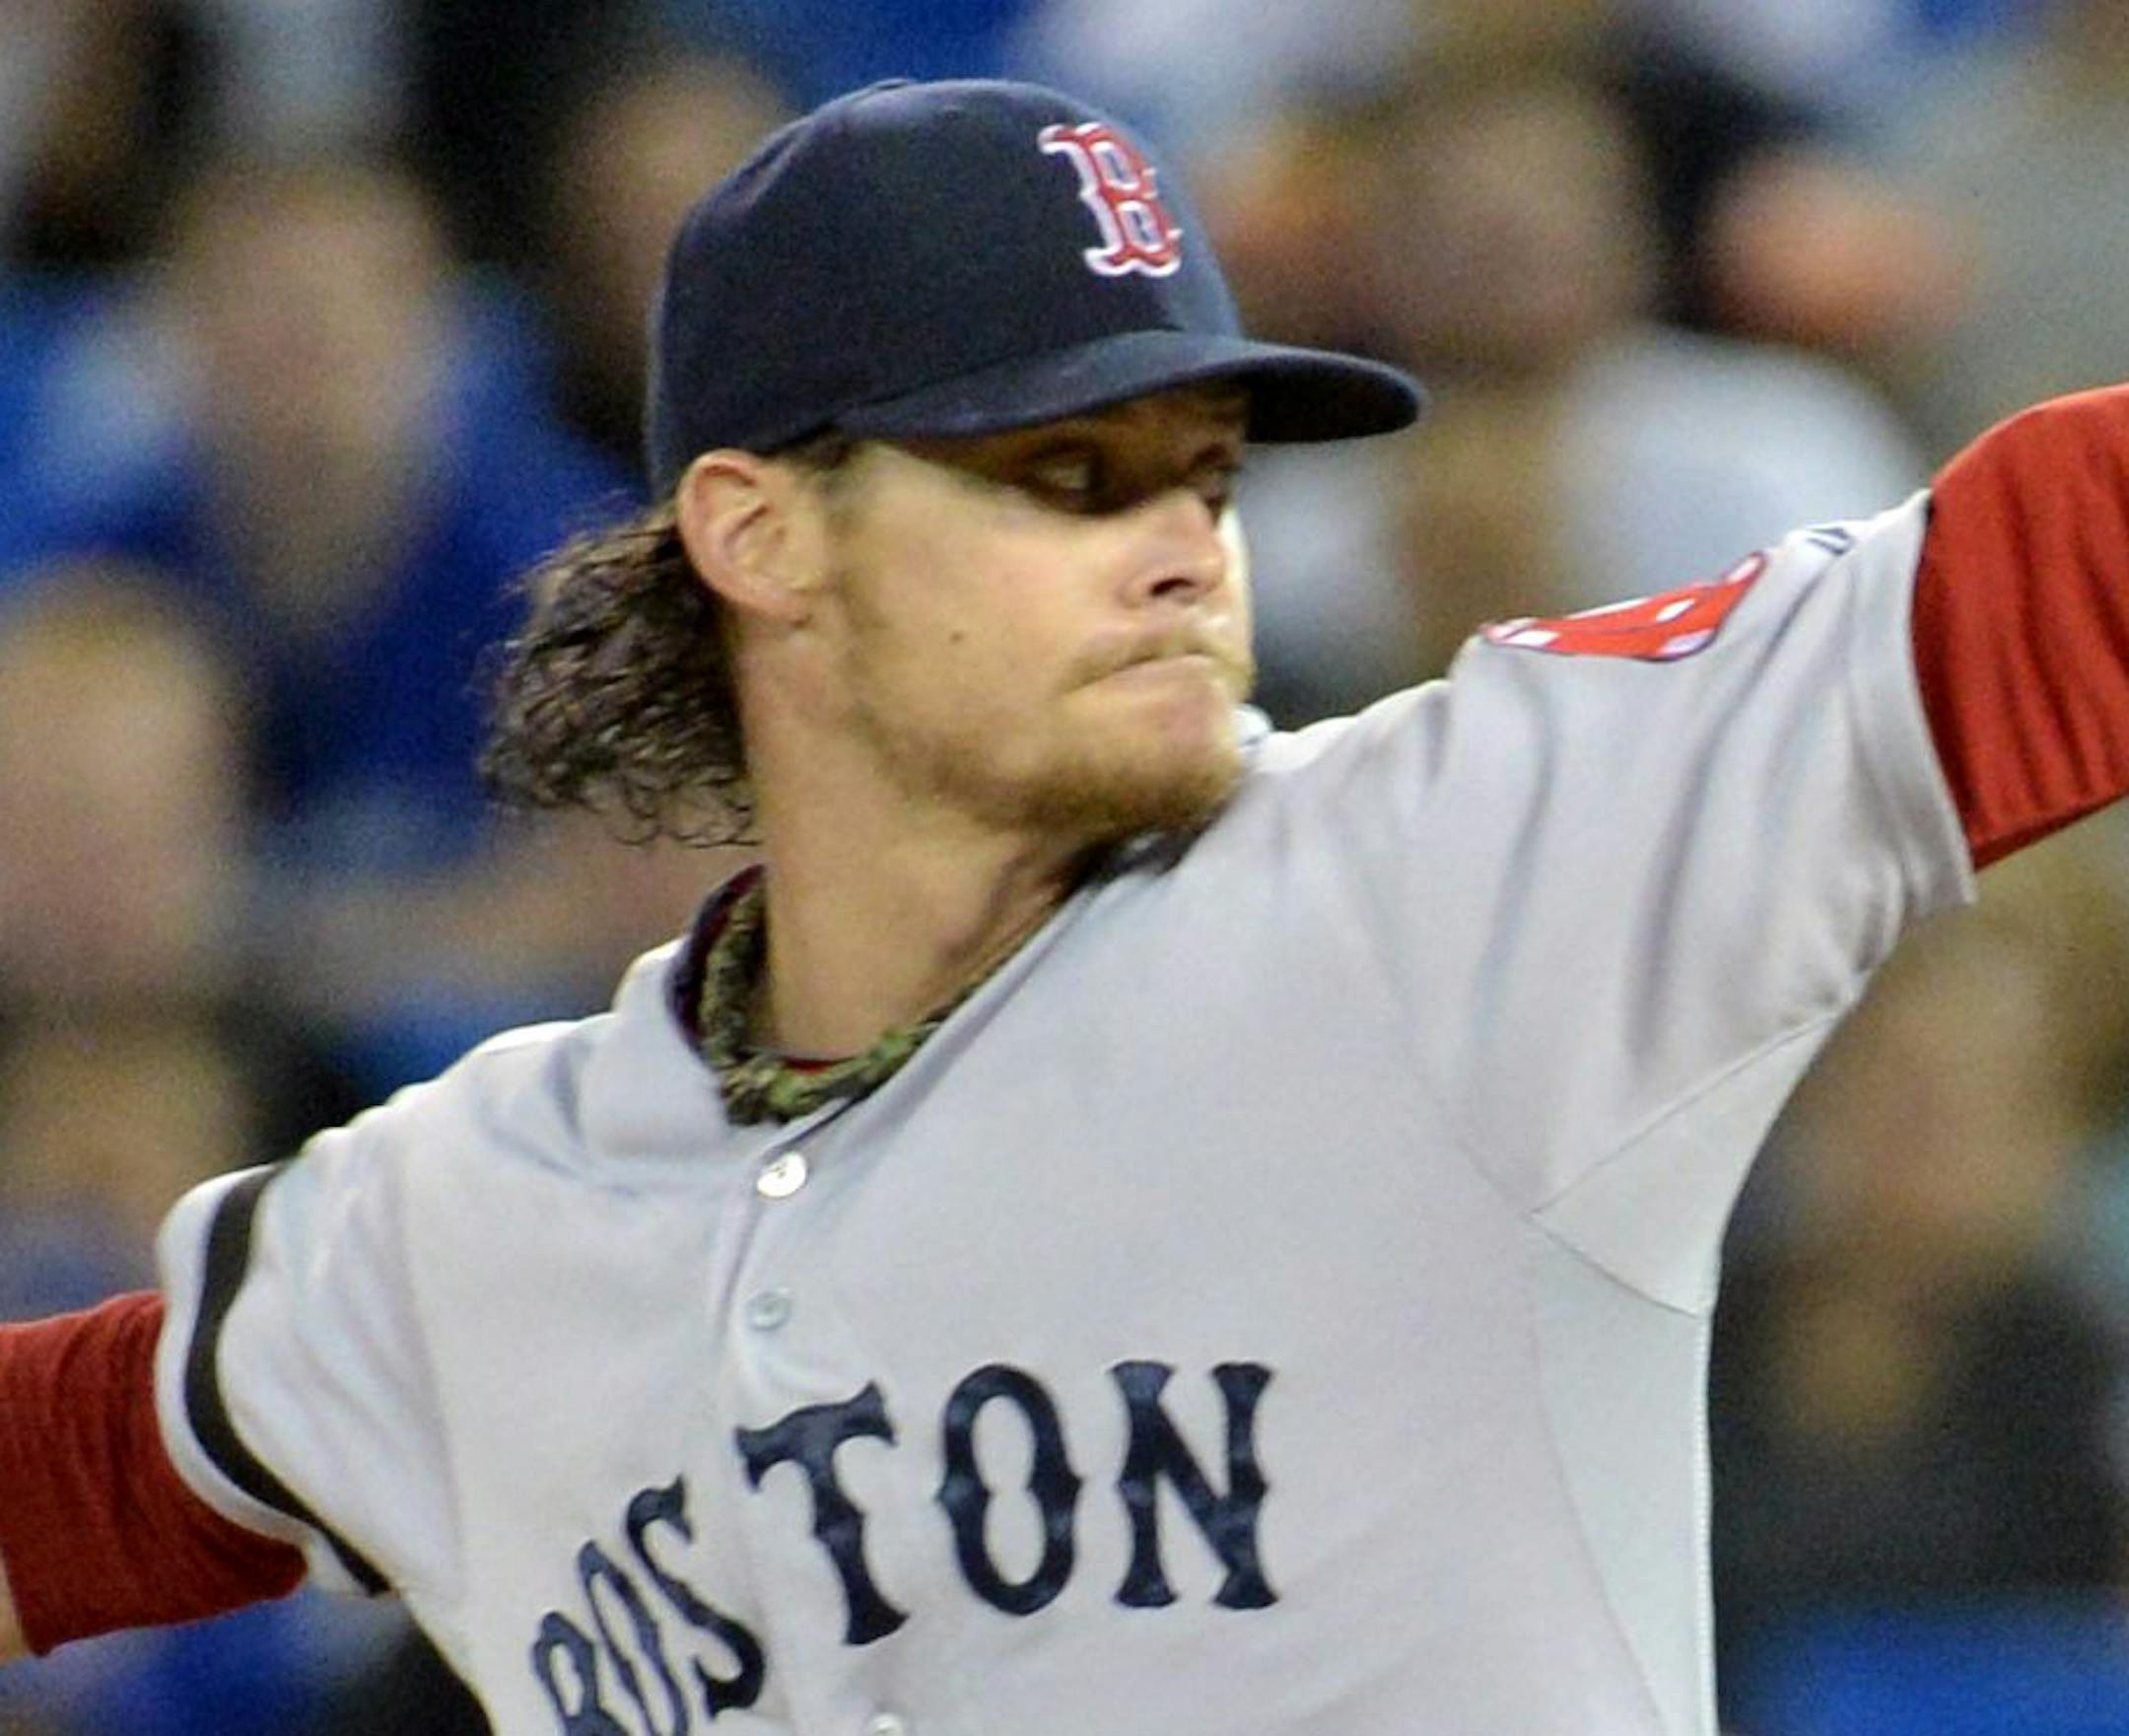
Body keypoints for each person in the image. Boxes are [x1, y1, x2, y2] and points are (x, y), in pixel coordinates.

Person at [1, 74, 2128, 1736]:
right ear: (757, 532)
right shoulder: (456, 1219)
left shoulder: (1462, 873)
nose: (1191, 547)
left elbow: (2064, 551)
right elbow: (62, 1474)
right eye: (1066, 476)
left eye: (1207, 469)